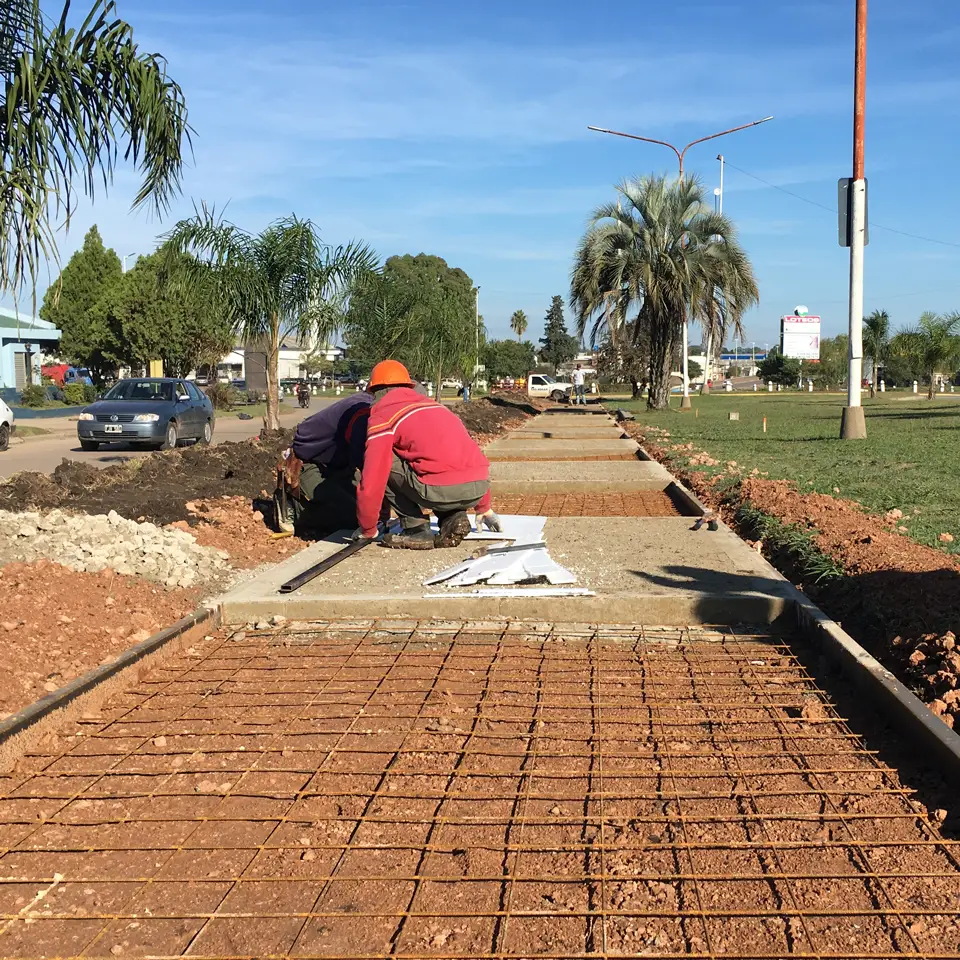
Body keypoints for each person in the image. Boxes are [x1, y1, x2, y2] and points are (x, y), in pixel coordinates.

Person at [353, 359, 501, 550]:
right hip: (478, 487)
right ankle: (452, 516)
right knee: (433, 460)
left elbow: (374, 475)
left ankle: (415, 528)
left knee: (385, 460)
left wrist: (368, 528)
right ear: (409, 386)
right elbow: (466, 453)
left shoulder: (383, 414)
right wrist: (484, 507)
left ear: (374, 390)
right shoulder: (436, 407)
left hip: (439, 490)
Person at [276, 389, 374, 535]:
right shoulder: (362, 412)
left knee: (368, 510)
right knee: (357, 518)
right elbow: (368, 463)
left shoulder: (370, 404)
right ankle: (292, 502)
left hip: (338, 466)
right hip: (308, 463)